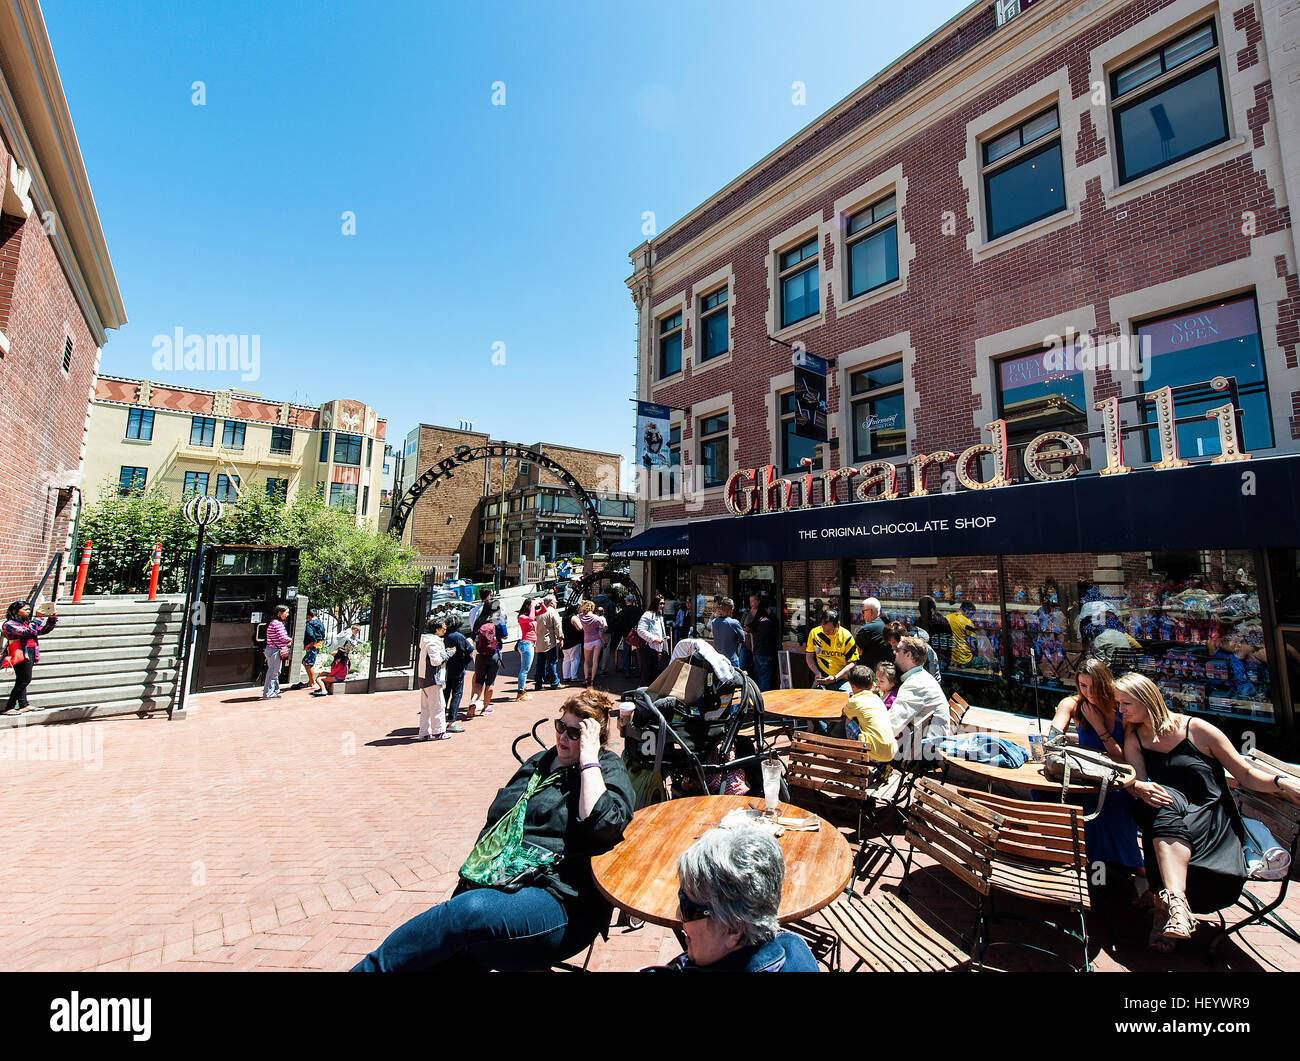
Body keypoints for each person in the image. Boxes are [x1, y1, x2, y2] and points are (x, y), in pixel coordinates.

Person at [352, 690, 635, 971]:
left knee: (464, 914)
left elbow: (602, 824)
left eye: (575, 733)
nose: (563, 737)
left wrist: (588, 756)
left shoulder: (605, 768)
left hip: (560, 899)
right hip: (501, 885)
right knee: (445, 954)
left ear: (592, 737)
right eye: (561, 726)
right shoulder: (538, 763)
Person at [1116, 672, 1300, 952]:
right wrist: (1139, 787)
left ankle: (1165, 906)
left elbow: (1245, 774)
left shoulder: (1197, 730)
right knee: (1159, 804)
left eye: (1126, 703)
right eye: (1119, 704)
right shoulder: (1136, 737)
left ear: (1146, 699)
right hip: (1170, 814)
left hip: (1211, 818)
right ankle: (1176, 904)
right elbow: (1140, 782)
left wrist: (1281, 782)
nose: (1121, 710)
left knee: (1160, 812)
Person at [651, 826, 820, 971]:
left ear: (733, 929)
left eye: (689, 909)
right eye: (682, 897)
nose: (678, 915)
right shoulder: (795, 947)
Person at [1048, 657, 1143, 877]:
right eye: (1083, 686)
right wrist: (1053, 737)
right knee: (1043, 792)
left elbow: (1124, 759)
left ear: (1105, 683)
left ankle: (1130, 870)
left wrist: (1100, 728)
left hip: (1117, 778)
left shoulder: (1121, 710)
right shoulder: (1074, 704)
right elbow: (1054, 733)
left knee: (1114, 802)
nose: (1089, 692)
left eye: (1094, 686)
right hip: (1087, 776)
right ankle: (1082, 860)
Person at [888, 635, 951, 753]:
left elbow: (892, 725)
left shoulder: (915, 684)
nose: (894, 652)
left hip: (925, 751)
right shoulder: (922, 677)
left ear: (908, 655)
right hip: (932, 744)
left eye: (897, 650)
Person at [2, 601, 57, 713]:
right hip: (20, 653)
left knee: (22, 679)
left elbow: (42, 631)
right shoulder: (9, 624)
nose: (28, 611)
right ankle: (9, 707)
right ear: (14, 611)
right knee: (24, 680)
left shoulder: (26, 623)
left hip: (30, 651)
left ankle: (23, 704)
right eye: (25, 609)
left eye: (28, 609)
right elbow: (28, 632)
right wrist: (38, 618)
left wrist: (51, 619)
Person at [843, 665, 898, 763]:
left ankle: (854, 758)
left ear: (852, 686)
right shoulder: (877, 698)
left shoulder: (855, 701)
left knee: (849, 721)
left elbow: (845, 712)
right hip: (891, 751)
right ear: (872, 684)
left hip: (874, 753)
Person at [804, 609, 859, 692]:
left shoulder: (846, 636)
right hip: (821, 680)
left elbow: (852, 663)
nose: (826, 633)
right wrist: (817, 672)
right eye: (824, 629)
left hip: (842, 680)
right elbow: (809, 656)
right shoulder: (814, 633)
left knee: (848, 699)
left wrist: (835, 678)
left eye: (829, 631)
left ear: (837, 625)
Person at [466, 601, 505, 718]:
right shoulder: (498, 620)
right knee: (490, 682)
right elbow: (505, 635)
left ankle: (473, 700)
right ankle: (485, 707)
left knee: (478, 681)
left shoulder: (479, 621)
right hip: (494, 654)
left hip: (480, 655)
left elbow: (473, 637)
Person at [416, 616, 451, 741]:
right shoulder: (434, 641)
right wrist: (447, 655)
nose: (445, 628)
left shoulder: (426, 640)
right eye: (443, 627)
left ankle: (424, 732)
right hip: (433, 678)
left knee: (426, 708)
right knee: (438, 705)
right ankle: (439, 732)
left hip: (424, 677)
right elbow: (435, 661)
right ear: (437, 629)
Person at [441, 617, 471, 732]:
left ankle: (441, 718)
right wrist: (464, 665)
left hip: (445, 670)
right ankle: (452, 721)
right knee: (457, 694)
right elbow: (468, 651)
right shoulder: (459, 637)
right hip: (457, 669)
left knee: (445, 694)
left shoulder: (444, 636)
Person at [635, 595, 668, 684]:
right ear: (656, 603)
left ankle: (649, 693)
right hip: (647, 648)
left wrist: (662, 649)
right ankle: (642, 694)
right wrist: (654, 639)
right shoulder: (648, 615)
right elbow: (640, 630)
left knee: (653, 673)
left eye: (664, 603)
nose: (662, 605)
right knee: (646, 673)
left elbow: (661, 633)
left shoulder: (659, 616)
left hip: (656, 648)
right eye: (661, 603)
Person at [533, 595, 563, 692]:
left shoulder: (538, 612)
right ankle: (554, 682)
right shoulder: (552, 612)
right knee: (551, 662)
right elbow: (558, 626)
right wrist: (560, 638)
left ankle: (538, 683)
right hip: (549, 641)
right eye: (555, 602)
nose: (556, 603)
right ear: (551, 603)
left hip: (539, 641)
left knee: (540, 664)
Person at [749, 599, 779, 692]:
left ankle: (756, 697)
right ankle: (763, 698)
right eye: (769, 608)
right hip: (765, 653)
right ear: (766, 609)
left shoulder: (757, 621)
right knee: (765, 678)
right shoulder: (768, 622)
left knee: (758, 677)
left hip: (756, 653)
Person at [262, 605, 291, 700]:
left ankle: (275, 690)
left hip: (272, 649)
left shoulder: (273, 623)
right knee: (272, 673)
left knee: (275, 671)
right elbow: (282, 637)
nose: (287, 614)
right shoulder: (277, 624)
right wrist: (292, 640)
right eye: (285, 612)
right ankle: (268, 693)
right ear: (279, 613)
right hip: (274, 650)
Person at [575, 600, 606, 687]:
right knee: (595, 660)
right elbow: (604, 627)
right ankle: (592, 679)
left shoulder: (580, 616)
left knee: (586, 661)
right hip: (596, 640)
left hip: (587, 640)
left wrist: (582, 605)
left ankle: (586, 679)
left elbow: (578, 612)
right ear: (592, 608)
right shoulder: (597, 618)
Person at [854, 597, 890, 670]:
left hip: (870, 672)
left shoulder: (867, 629)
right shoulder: (889, 623)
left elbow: (856, 652)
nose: (862, 615)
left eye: (863, 611)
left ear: (871, 611)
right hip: (888, 669)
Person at [709, 597, 745, 670]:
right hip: (731, 660)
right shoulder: (734, 623)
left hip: (718, 659)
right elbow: (742, 639)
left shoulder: (714, 622)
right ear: (731, 609)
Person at [295, 608, 326, 691]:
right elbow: (323, 634)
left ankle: (311, 682)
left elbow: (310, 633)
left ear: (309, 616)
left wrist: (312, 641)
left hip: (312, 644)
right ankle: (310, 681)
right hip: (318, 644)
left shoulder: (310, 623)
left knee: (308, 663)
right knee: (306, 662)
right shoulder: (320, 623)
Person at [515, 598, 538, 702]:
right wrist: (533, 606)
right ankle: (520, 692)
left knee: (526, 668)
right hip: (526, 644)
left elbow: (543, 611)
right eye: (531, 605)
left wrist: (540, 604)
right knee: (524, 669)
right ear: (527, 606)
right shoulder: (522, 617)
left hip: (530, 643)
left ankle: (522, 690)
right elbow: (531, 619)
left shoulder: (530, 614)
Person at [946, 602, 977, 669]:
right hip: (965, 659)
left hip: (951, 657)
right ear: (968, 612)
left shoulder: (948, 618)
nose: (971, 617)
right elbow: (973, 644)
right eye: (972, 614)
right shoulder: (968, 623)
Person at [561, 602, 584, 683]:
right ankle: (573, 677)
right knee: (575, 659)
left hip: (566, 641)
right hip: (574, 641)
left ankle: (566, 676)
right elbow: (580, 628)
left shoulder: (564, 617)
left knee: (566, 659)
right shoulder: (574, 617)